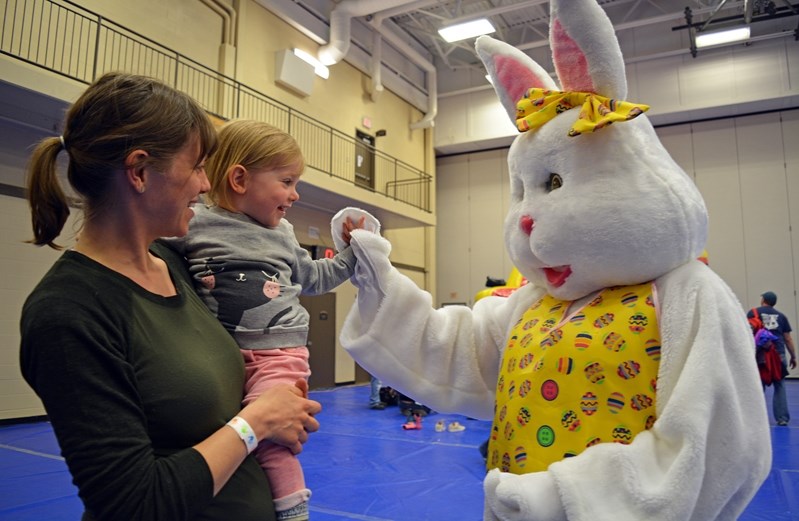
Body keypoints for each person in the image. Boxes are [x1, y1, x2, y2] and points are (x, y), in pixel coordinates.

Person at [19, 72, 322, 521]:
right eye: (198, 166)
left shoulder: (182, 266)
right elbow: (133, 503)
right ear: (140, 172)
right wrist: (257, 422)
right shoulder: (69, 313)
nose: (205, 184)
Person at [163, 119, 373, 521]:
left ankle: (294, 509)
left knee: (272, 439)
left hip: (280, 354)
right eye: (287, 181)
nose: (294, 195)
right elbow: (150, 246)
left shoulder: (283, 234)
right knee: (221, 432)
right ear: (240, 179)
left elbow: (315, 278)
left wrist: (351, 253)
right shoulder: (196, 223)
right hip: (223, 353)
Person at [748, 291, 798, 426]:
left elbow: (745, 333)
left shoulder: (753, 313)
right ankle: (782, 418)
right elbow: (788, 338)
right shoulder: (782, 317)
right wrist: (793, 356)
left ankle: (754, 417)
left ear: (763, 300)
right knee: (780, 385)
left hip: (760, 354)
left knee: (758, 385)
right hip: (778, 354)